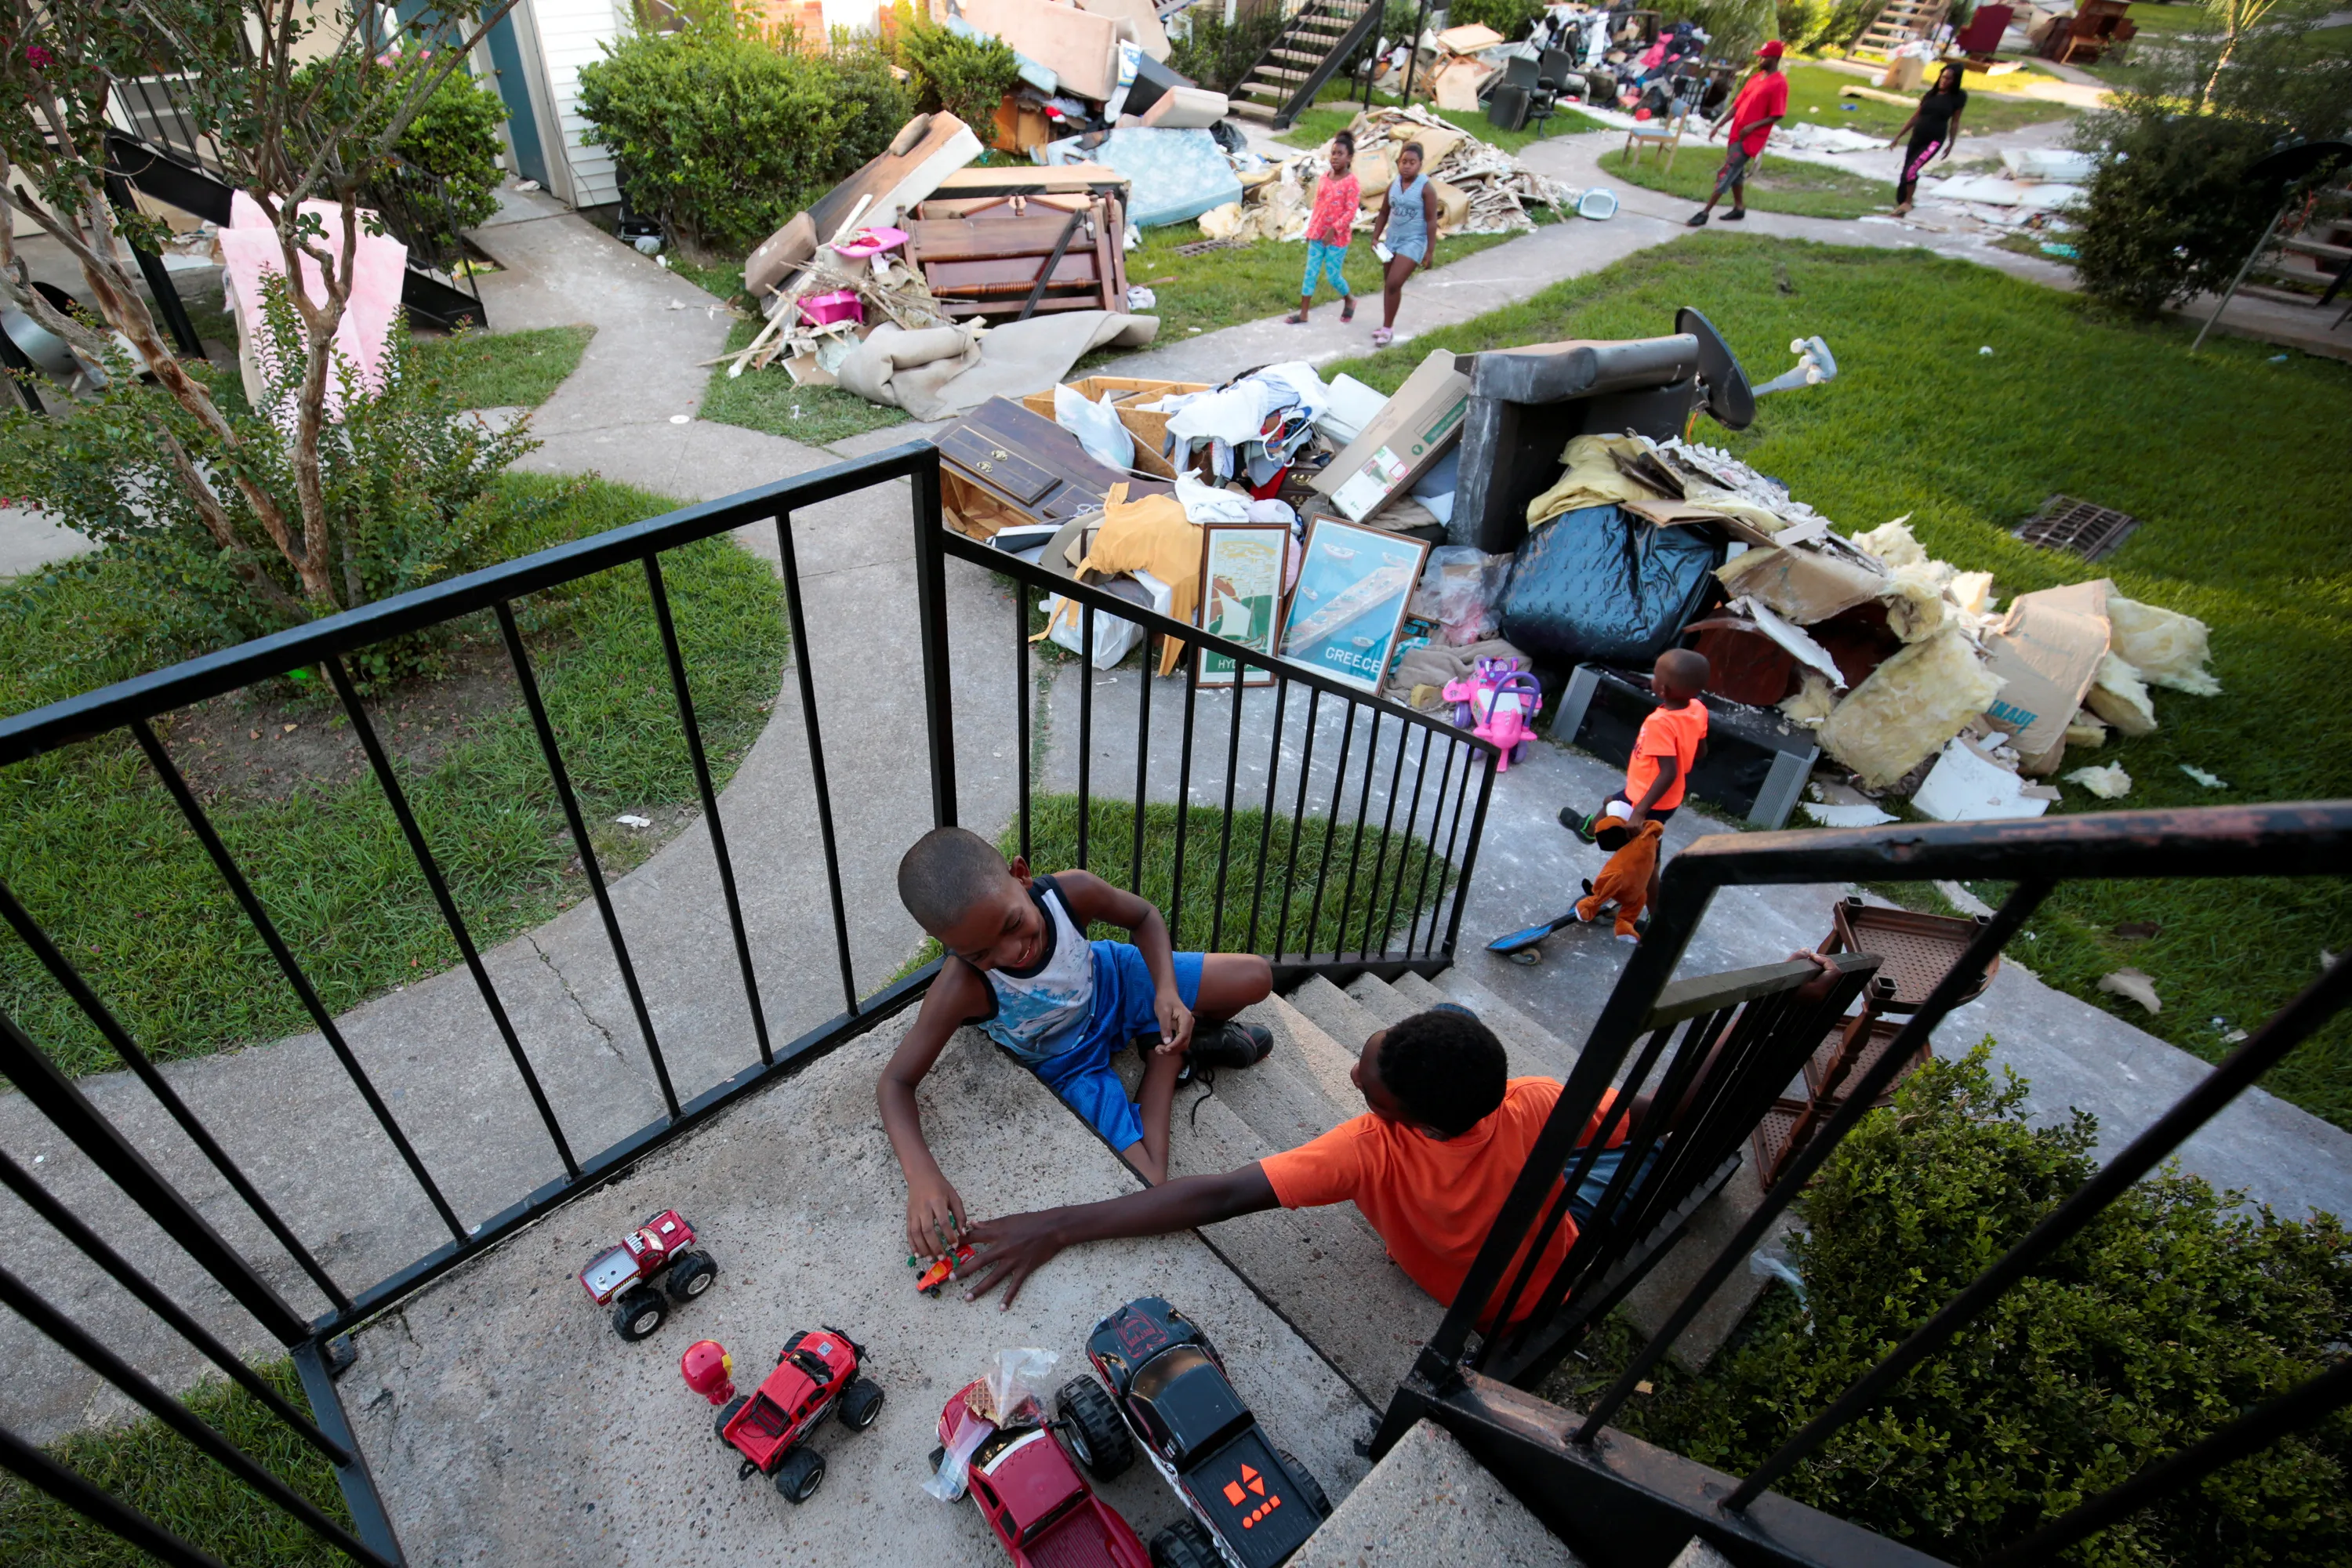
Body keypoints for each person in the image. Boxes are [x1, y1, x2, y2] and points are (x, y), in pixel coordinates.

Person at [952, 1007, 1632, 1318]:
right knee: (1634, 1145)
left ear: (1408, 1121)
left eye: (1366, 1085)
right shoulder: (1539, 1102)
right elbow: (1659, 1107)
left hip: (1468, 1303)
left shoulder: (1366, 1151)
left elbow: (1216, 1196)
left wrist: (1060, 1224)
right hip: (1555, 1276)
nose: (1351, 1071)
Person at [880, 827, 1275, 1265]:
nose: (1012, 953)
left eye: (1013, 924)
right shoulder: (959, 989)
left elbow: (1143, 917)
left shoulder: (1071, 893)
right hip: (1070, 1063)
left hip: (1116, 980)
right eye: (979, 953)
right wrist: (922, 1178)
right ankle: (1167, 1054)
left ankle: (1166, 1027)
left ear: (1021, 875)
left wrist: (1165, 990)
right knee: (1149, 1184)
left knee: (1256, 977)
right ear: (951, 948)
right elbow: (896, 1083)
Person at [1561, 648, 1708, 918]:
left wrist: (1640, 812)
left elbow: (1668, 772)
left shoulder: (1660, 723)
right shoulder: (1697, 709)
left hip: (1650, 800)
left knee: (1644, 859)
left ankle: (1653, 915)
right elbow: (1701, 750)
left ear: (1662, 688)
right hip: (1655, 794)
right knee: (1610, 802)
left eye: (1655, 675)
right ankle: (1589, 831)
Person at [1687, 38, 1789, 227]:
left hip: (1750, 138)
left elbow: (1777, 114)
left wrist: (1753, 127)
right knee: (1737, 173)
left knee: (1727, 170)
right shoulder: (1756, 79)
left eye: (1764, 57)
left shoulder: (1779, 83)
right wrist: (1719, 125)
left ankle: (1705, 212)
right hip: (1737, 133)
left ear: (1774, 58)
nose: (1760, 61)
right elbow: (1737, 105)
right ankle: (1739, 208)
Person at [1368, 140, 1439, 348]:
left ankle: (1387, 329)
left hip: (1414, 241)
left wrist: (1430, 251)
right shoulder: (1394, 185)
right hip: (1392, 240)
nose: (1407, 166)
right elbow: (1383, 212)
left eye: (1412, 162)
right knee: (1389, 285)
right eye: (1403, 161)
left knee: (1394, 282)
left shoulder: (1426, 189)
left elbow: (1432, 221)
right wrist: (1376, 236)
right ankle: (1386, 327)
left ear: (1420, 164)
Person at [1288, 130, 1359, 325]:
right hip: (1318, 233)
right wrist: (1312, 229)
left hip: (1337, 238)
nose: (1335, 157)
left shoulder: (1352, 183)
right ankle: (1303, 314)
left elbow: (1350, 212)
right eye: (1333, 153)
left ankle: (1349, 300)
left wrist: (1333, 230)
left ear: (1349, 157)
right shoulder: (1324, 178)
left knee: (1333, 276)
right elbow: (1319, 206)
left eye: (1340, 154)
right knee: (1310, 273)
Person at [1886, 62, 1967, 217]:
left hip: (1934, 141)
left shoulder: (1958, 97)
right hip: (1917, 137)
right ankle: (1903, 201)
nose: (1945, 81)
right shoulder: (1931, 94)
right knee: (1906, 171)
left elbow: (1955, 121)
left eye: (1949, 79)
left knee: (1912, 169)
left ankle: (1908, 203)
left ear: (1955, 81)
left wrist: (1951, 143)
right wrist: (1898, 136)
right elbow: (1916, 117)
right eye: (1943, 77)